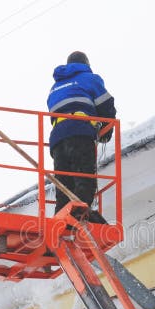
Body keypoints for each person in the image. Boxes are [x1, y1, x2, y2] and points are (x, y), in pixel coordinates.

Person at [47, 51, 115, 222]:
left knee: (64, 184)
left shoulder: (56, 86)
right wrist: (106, 131)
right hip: (79, 131)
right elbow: (106, 105)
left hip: (57, 138)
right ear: (86, 64)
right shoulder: (89, 78)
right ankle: (82, 214)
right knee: (84, 177)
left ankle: (60, 219)